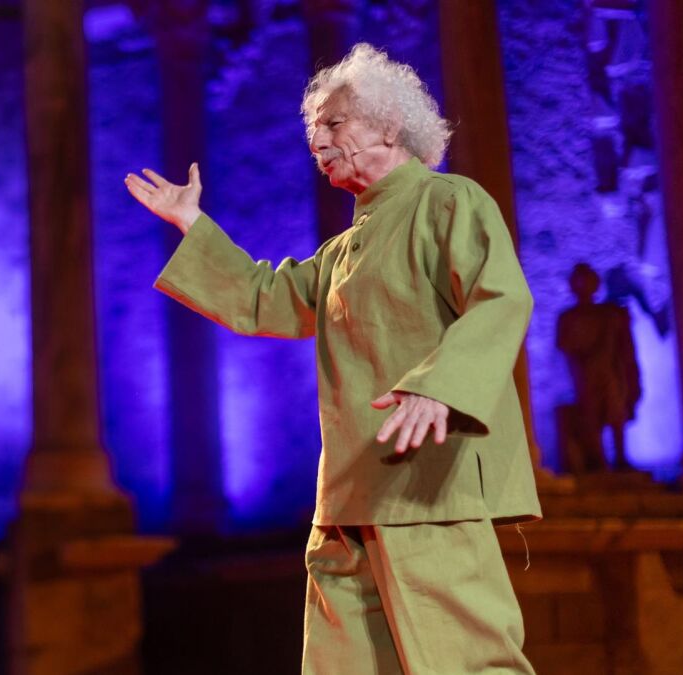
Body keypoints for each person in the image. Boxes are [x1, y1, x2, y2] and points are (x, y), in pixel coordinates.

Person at [125, 43, 539, 674]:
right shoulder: (344, 250)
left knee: (465, 662)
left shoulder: (448, 201)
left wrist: (441, 387)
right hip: (347, 499)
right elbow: (265, 298)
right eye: (313, 132)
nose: (317, 141)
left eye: (334, 123)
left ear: (389, 126)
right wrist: (192, 224)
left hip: (425, 489)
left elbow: (501, 298)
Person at [557, 262, 641, 473]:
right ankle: (598, 462)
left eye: (588, 281)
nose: (584, 286)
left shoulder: (609, 314)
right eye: (580, 282)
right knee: (591, 417)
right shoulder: (568, 318)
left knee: (616, 413)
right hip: (584, 374)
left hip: (610, 372)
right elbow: (565, 346)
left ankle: (621, 459)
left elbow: (623, 344)